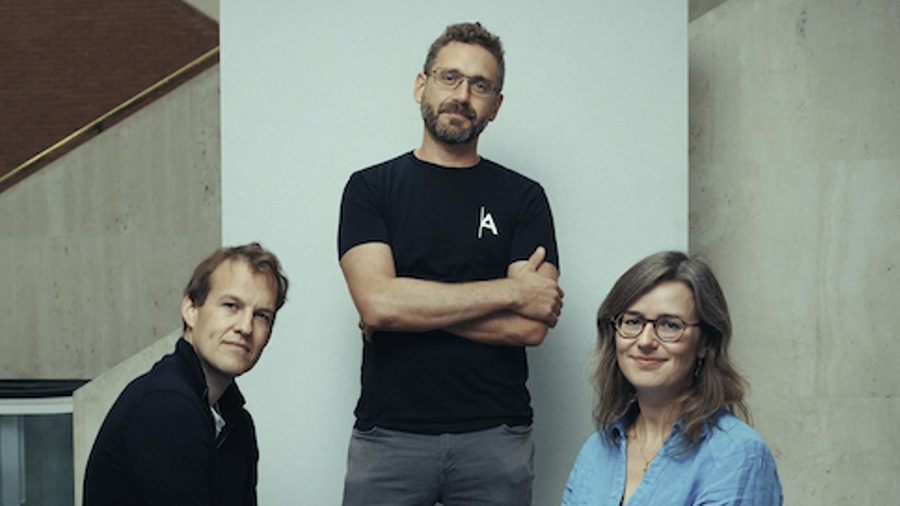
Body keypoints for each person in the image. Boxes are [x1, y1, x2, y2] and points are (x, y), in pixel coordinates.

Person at [338, 21, 564, 506]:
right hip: (388, 438)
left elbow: (531, 327)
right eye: (450, 78)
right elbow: (379, 305)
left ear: (495, 106)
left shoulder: (523, 198)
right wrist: (510, 291)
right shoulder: (370, 189)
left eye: (480, 85)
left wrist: (409, 309)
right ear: (422, 85)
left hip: (496, 437)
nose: (462, 94)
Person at [561, 251, 782, 505]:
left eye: (670, 325)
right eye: (633, 321)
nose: (645, 341)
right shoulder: (597, 450)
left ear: (705, 343)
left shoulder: (736, 454)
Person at [83, 242, 289, 506]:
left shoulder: (236, 423)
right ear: (191, 310)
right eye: (230, 305)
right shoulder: (166, 405)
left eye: (262, 315)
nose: (245, 327)